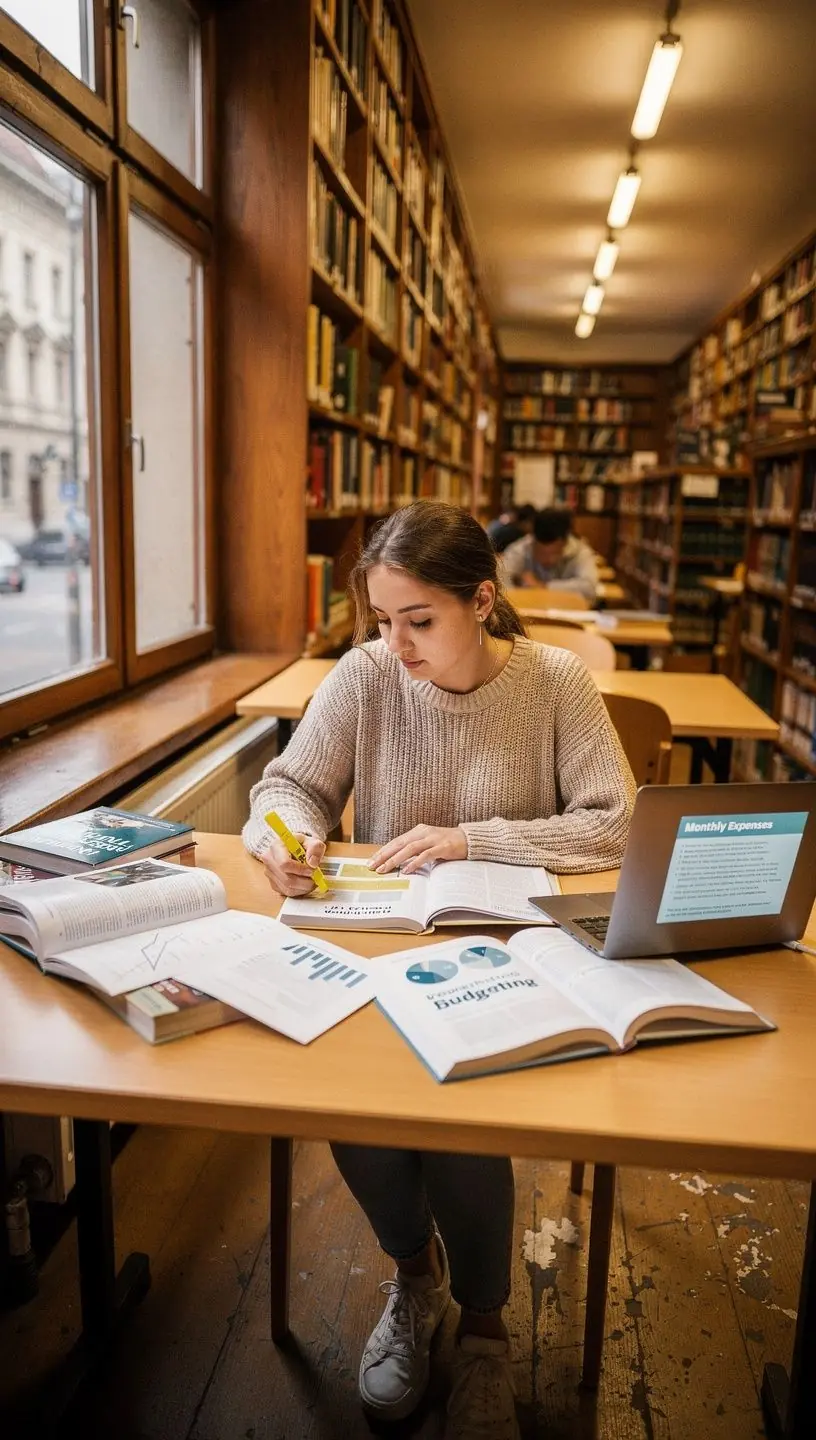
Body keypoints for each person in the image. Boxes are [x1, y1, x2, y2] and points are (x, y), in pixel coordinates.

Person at [243, 501, 634, 1440]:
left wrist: (473, 839)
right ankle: (416, 1280)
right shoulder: (370, 674)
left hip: (513, 957)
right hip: (383, 945)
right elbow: (289, 784)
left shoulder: (555, 683)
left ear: (482, 601)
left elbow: (615, 819)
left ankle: (490, 1333)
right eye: (382, 620)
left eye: (420, 620)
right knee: (348, 1098)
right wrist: (281, 837)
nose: (397, 644)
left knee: (459, 1120)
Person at [500, 507, 599, 602]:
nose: (547, 560)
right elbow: (500, 583)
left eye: (554, 554)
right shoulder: (520, 549)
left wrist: (543, 586)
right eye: (541, 553)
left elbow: (589, 588)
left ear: (564, 543)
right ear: (533, 540)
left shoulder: (580, 552)